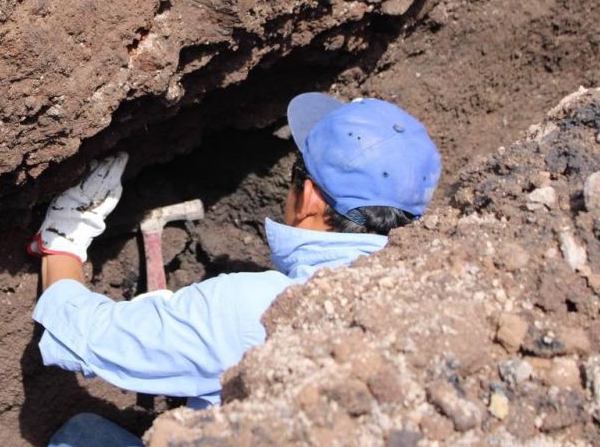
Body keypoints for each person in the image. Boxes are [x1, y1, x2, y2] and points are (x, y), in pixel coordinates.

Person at [28, 93, 442, 446]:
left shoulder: (252, 308)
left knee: (79, 436)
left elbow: (80, 333)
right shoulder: (427, 289)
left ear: (311, 198)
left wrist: (67, 236)